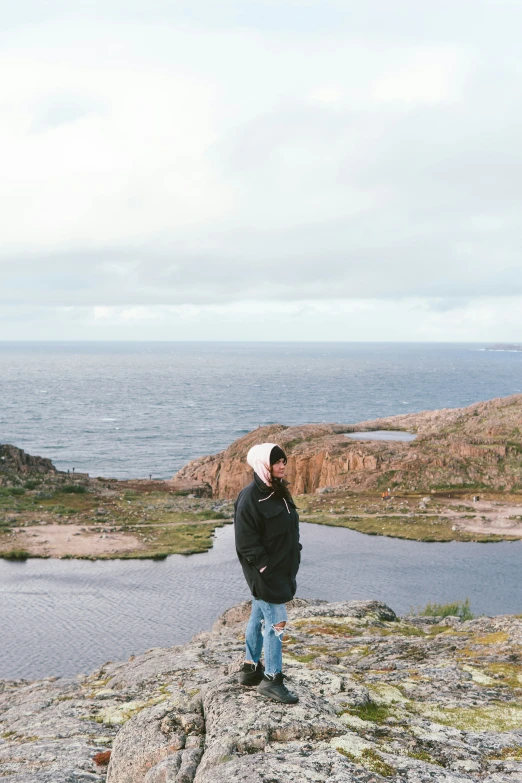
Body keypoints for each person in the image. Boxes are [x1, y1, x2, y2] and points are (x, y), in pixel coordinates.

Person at [234, 442, 301, 704]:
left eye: (283, 461)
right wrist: (265, 567)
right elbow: (245, 541)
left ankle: (251, 669)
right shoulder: (251, 497)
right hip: (266, 573)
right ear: (264, 465)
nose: (282, 465)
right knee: (277, 622)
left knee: (258, 617)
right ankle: (272, 679)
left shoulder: (278, 491)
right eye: (277, 462)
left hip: (281, 569)